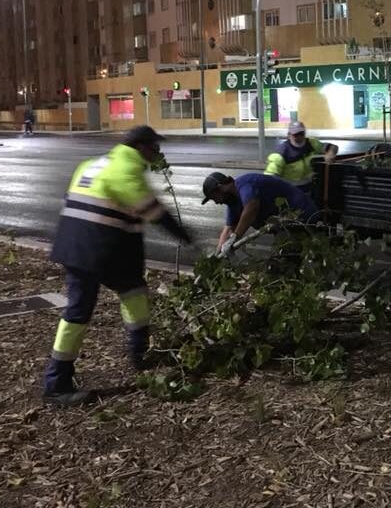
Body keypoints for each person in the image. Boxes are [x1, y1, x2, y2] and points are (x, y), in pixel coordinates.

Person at [43, 126, 192, 407]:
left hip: (86, 247)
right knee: (78, 314)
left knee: (134, 293)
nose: (158, 153)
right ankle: (56, 384)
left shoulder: (93, 164)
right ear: (140, 147)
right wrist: (188, 239)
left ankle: (139, 353)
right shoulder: (127, 170)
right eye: (155, 147)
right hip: (94, 251)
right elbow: (156, 214)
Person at [202, 171, 319, 255]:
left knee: (285, 261)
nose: (217, 202)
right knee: (284, 258)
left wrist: (235, 237)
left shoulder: (245, 184)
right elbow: (228, 230)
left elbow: (251, 207)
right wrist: (217, 255)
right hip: (284, 227)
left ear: (220, 188)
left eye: (214, 197)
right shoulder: (233, 202)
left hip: (301, 217)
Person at [264, 121, 338, 190]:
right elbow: (269, 178)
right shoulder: (280, 154)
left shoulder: (311, 143)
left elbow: (332, 147)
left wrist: (330, 153)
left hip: (307, 188)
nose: (299, 137)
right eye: (296, 135)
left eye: (301, 133)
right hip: (288, 191)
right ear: (289, 135)